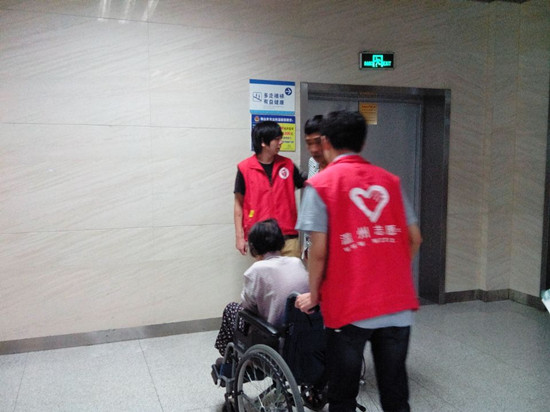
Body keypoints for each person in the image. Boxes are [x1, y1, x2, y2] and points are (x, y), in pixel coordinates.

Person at [295, 110, 422, 412]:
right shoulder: (390, 181)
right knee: (395, 394)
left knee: (343, 394)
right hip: (397, 305)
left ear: (325, 142)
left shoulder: (321, 185)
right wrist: (389, 273)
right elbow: (415, 238)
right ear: (363, 143)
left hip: (349, 306)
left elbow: (318, 252)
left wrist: (315, 294)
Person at [215, 218, 309, 356]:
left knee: (231, 309)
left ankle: (230, 358)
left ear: (254, 247)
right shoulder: (296, 262)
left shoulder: (256, 270)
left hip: (272, 336)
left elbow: (247, 307)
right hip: (300, 334)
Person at [234, 121, 305, 258]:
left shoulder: (288, 165)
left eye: (281, 138)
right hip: (261, 238)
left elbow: (306, 184)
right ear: (263, 142)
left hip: (288, 236)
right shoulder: (244, 168)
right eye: (277, 139)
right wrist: (239, 237)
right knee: (265, 272)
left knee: (291, 272)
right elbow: (238, 203)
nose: (281, 142)